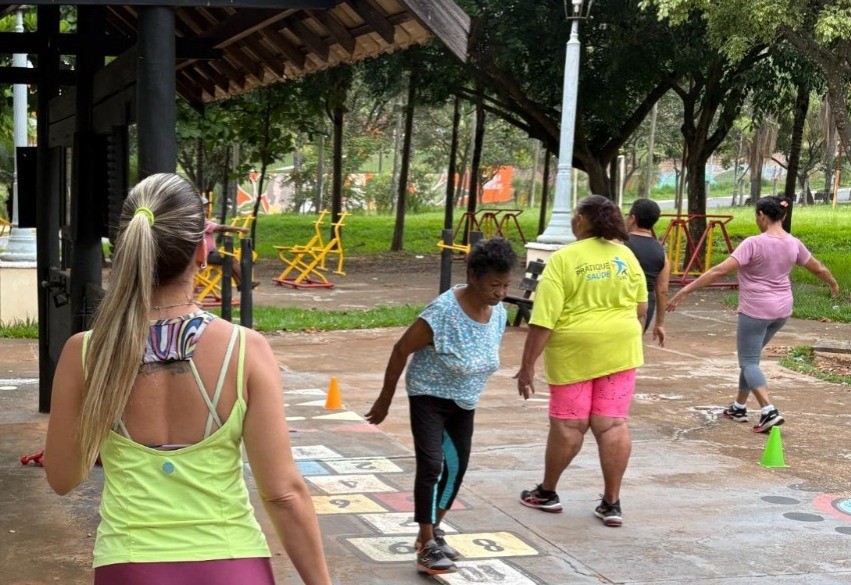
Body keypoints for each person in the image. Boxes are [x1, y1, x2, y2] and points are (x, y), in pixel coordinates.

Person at [44, 174, 331, 585]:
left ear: (126, 249)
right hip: (233, 565)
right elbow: (284, 493)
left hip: (129, 566)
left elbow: (62, 477)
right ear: (201, 250)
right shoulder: (245, 350)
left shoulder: (86, 353)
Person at [365, 238, 517, 575]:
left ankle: (434, 530)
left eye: (506, 285)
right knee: (432, 464)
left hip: (465, 400)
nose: (500, 293)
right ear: (473, 277)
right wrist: (385, 399)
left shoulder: (499, 314)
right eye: (494, 284)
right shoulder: (443, 312)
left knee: (456, 468)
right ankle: (425, 544)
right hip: (429, 396)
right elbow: (400, 349)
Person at [515, 195, 647, 528]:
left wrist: (527, 365)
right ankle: (612, 503)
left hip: (574, 351)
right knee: (612, 424)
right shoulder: (625, 256)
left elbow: (543, 320)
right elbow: (641, 308)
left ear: (581, 221)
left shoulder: (564, 259)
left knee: (569, 425)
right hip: (621, 348)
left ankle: (547, 492)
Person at [667, 196, 839, 433]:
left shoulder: (753, 243)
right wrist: (832, 283)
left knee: (748, 361)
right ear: (783, 216)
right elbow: (817, 267)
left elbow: (719, 271)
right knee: (752, 359)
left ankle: (769, 410)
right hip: (782, 311)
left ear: (761, 215)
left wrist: (685, 290)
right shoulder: (793, 243)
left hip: (756, 310)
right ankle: (738, 407)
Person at [625, 198, 670, 347]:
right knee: (632, 348)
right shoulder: (660, 251)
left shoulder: (620, 245)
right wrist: (660, 323)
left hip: (621, 301)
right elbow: (662, 290)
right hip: (645, 305)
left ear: (632, 218)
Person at [203, 201, 256, 290]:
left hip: (206, 253)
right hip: (205, 255)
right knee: (230, 259)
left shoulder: (199, 220)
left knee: (229, 260)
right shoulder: (200, 221)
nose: (207, 209)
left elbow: (217, 230)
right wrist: (240, 229)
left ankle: (240, 284)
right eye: (204, 207)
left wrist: (233, 230)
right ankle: (247, 282)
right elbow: (221, 228)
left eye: (207, 207)